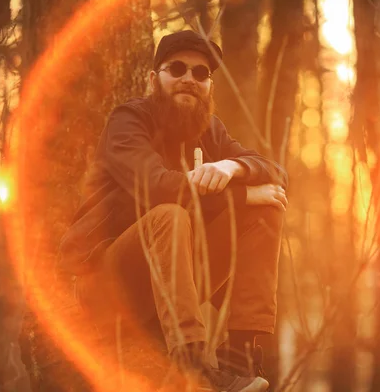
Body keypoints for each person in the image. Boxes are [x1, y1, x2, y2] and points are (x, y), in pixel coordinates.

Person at [59, 30, 288, 391]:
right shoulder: (128, 121)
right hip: (104, 284)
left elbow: (274, 173)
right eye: (176, 68)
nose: (189, 79)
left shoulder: (209, 131)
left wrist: (232, 169)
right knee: (171, 214)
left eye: (201, 73)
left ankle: (240, 354)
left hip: (169, 282)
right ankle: (193, 365)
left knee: (268, 211)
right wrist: (241, 196)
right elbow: (157, 187)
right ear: (154, 79)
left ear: (209, 85)